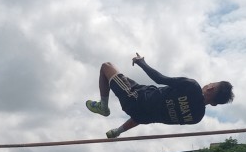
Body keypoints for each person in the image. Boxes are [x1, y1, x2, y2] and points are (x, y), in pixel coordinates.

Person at [85, 53, 233, 139]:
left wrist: (141, 62)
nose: (207, 83)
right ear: (214, 104)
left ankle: (103, 106)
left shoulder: (192, 87)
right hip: (141, 113)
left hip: (135, 97)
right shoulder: (196, 117)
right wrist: (119, 131)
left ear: (211, 87)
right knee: (154, 111)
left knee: (106, 66)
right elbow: (155, 114)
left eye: (211, 83)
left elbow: (159, 79)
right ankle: (117, 131)